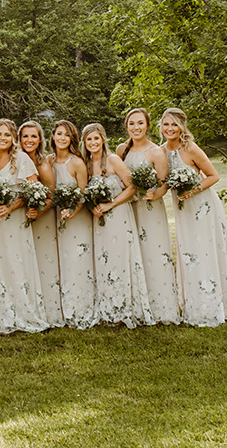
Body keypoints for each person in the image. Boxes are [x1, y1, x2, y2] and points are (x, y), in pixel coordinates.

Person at [160, 108, 227, 327]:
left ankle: (217, 303)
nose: (170, 129)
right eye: (166, 124)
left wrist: (191, 192)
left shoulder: (190, 148)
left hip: (203, 206)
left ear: (182, 127)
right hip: (182, 210)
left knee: (206, 251)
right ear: (160, 127)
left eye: (174, 125)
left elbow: (213, 176)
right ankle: (194, 303)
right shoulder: (160, 151)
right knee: (188, 253)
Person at [83, 123, 153, 328]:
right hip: (98, 219)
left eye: (96, 138)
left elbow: (133, 187)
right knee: (103, 261)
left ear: (103, 139)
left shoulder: (113, 160)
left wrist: (110, 204)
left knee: (119, 259)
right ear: (84, 143)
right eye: (89, 139)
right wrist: (93, 206)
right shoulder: (86, 165)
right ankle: (108, 309)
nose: (93, 143)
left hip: (118, 215)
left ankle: (125, 309)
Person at [0, 118, 48, 335]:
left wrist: (12, 206)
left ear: (13, 138)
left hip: (15, 221)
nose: (2, 138)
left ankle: (22, 311)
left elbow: (34, 192)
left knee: (15, 263)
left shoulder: (21, 159)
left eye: (7, 135)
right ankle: (0, 312)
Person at [117, 108, 180, 325]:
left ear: (147, 125)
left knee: (154, 254)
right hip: (128, 210)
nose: (136, 127)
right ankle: (136, 307)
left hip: (150, 209)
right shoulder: (121, 150)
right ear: (126, 126)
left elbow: (164, 183)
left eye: (140, 123)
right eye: (131, 123)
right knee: (133, 256)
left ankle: (162, 309)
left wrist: (154, 194)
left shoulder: (156, 152)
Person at [49, 120, 96, 329]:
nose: (62, 138)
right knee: (62, 264)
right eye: (59, 134)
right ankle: (63, 309)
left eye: (66, 135)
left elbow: (83, 192)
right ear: (52, 137)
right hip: (56, 218)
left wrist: (72, 211)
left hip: (76, 218)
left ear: (72, 139)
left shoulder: (76, 162)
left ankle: (82, 309)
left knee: (78, 261)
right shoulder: (49, 161)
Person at [20, 120, 63, 328]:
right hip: (21, 218)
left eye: (33, 136)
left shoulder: (43, 164)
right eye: (25, 136)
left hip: (42, 218)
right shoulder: (16, 160)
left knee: (44, 262)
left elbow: (51, 195)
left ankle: (50, 310)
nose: (29, 140)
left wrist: (38, 210)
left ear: (40, 140)